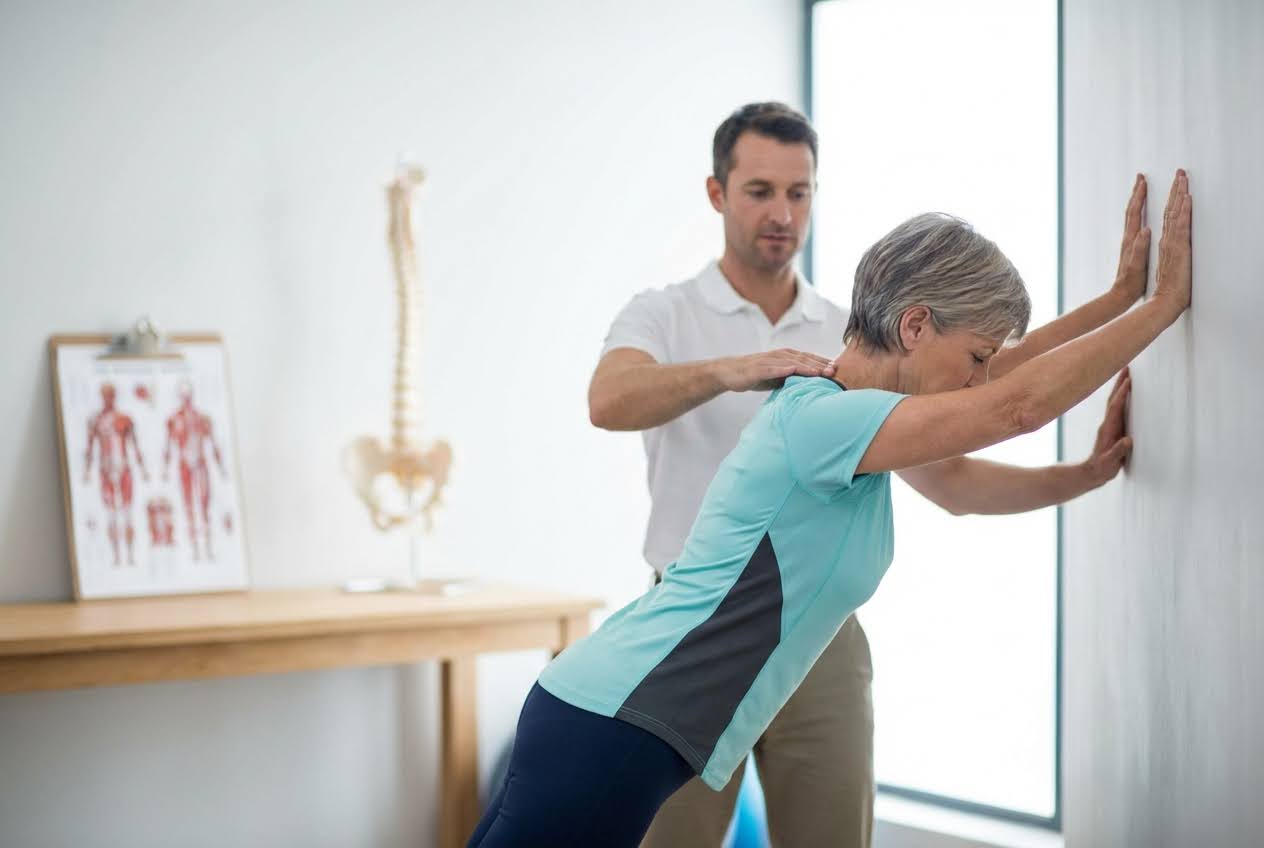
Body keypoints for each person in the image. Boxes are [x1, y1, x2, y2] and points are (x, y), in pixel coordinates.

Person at [466, 165, 1193, 847]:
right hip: (617, 722)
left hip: (615, 718)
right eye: (972, 359)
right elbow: (1016, 406)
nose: (978, 380)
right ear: (914, 326)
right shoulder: (824, 424)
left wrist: (1115, 304)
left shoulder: (855, 416)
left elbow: (999, 388)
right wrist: (1163, 307)